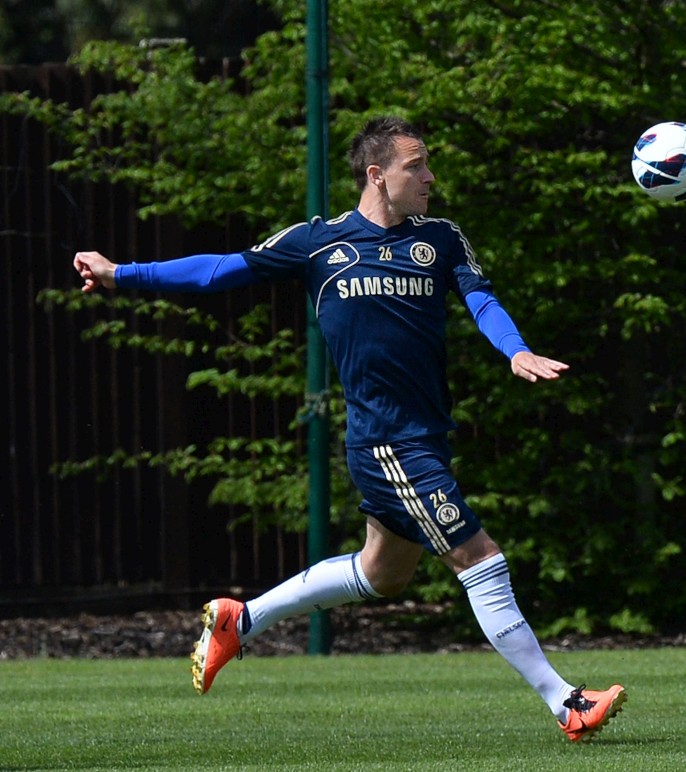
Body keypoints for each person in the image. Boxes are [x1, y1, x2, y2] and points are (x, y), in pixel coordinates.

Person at [72, 116, 626, 742]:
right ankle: (565, 702)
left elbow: (482, 299)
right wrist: (121, 273)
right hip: (385, 442)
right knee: (479, 556)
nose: (429, 176)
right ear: (377, 175)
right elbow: (219, 270)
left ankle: (241, 620)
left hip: (426, 436)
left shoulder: (441, 238)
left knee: (383, 573)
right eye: (416, 165)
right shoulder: (319, 242)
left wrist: (515, 350)